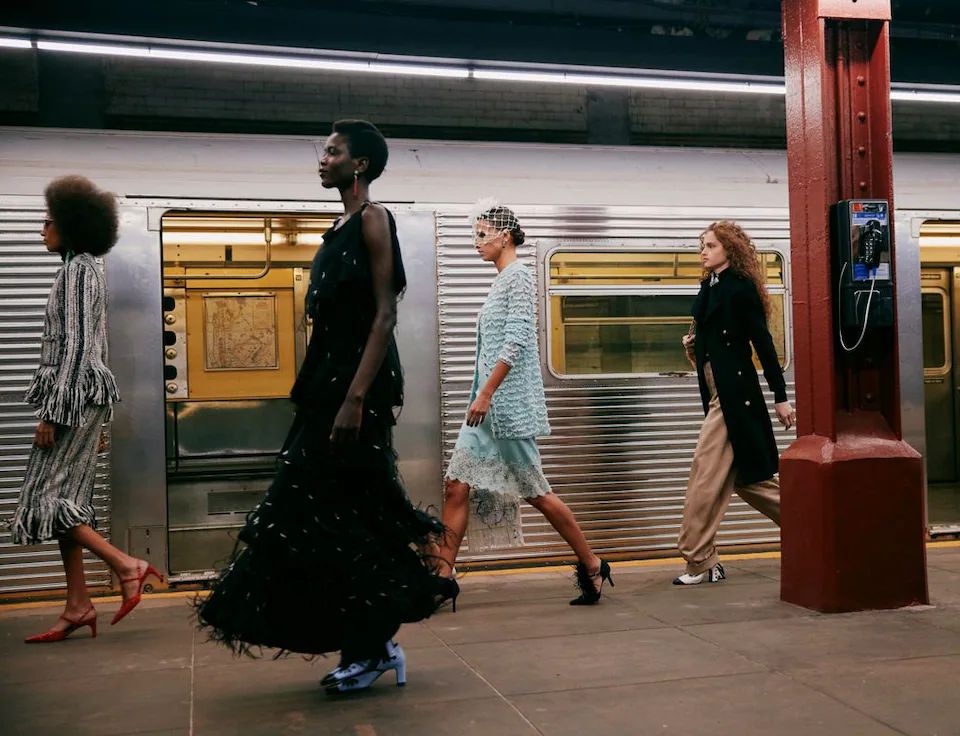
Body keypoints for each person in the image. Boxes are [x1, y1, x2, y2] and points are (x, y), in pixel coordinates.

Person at [197, 120, 444, 695]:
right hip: (326, 389)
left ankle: (372, 647)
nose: (322, 159)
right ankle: (372, 644)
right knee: (334, 516)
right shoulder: (336, 228)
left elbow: (384, 314)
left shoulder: (374, 220)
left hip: (355, 391)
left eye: (332, 152)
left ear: (359, 165)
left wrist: (355, 398)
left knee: (346, 516)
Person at [433, 203, 612, 607]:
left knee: (535, 491)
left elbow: (514, 343)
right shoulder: (500, 281)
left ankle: (592, 562)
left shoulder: (519, 277)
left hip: (505, 409)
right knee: (455, 485)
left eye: (482, 235)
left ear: (506, 236)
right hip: (483, 412)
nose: (476, 243)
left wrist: (485, 393)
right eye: (475, 235)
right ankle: (443, 577)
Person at [12, 175, 160, 643]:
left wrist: (54, 413)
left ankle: (127, 565)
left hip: (71, 400)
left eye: (48, 222)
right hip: (84, 399)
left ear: (71, 226)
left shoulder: (78, 273)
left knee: (45, 501)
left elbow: (77, 348)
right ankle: (78, 605)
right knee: (68, 503)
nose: (41, 230)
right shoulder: (84, 270)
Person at [674, 221, 795, 585]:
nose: (704, 251)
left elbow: (763, 346)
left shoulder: (740, 289)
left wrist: (781, 397)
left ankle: (701, 560)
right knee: (748, 480)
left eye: (710, 245)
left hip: (734, 396)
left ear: (730, 248)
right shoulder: (709, 286)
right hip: (717, 391)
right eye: (702, 245)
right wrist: (695, 348)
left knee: (705, 474)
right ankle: (815, 525)